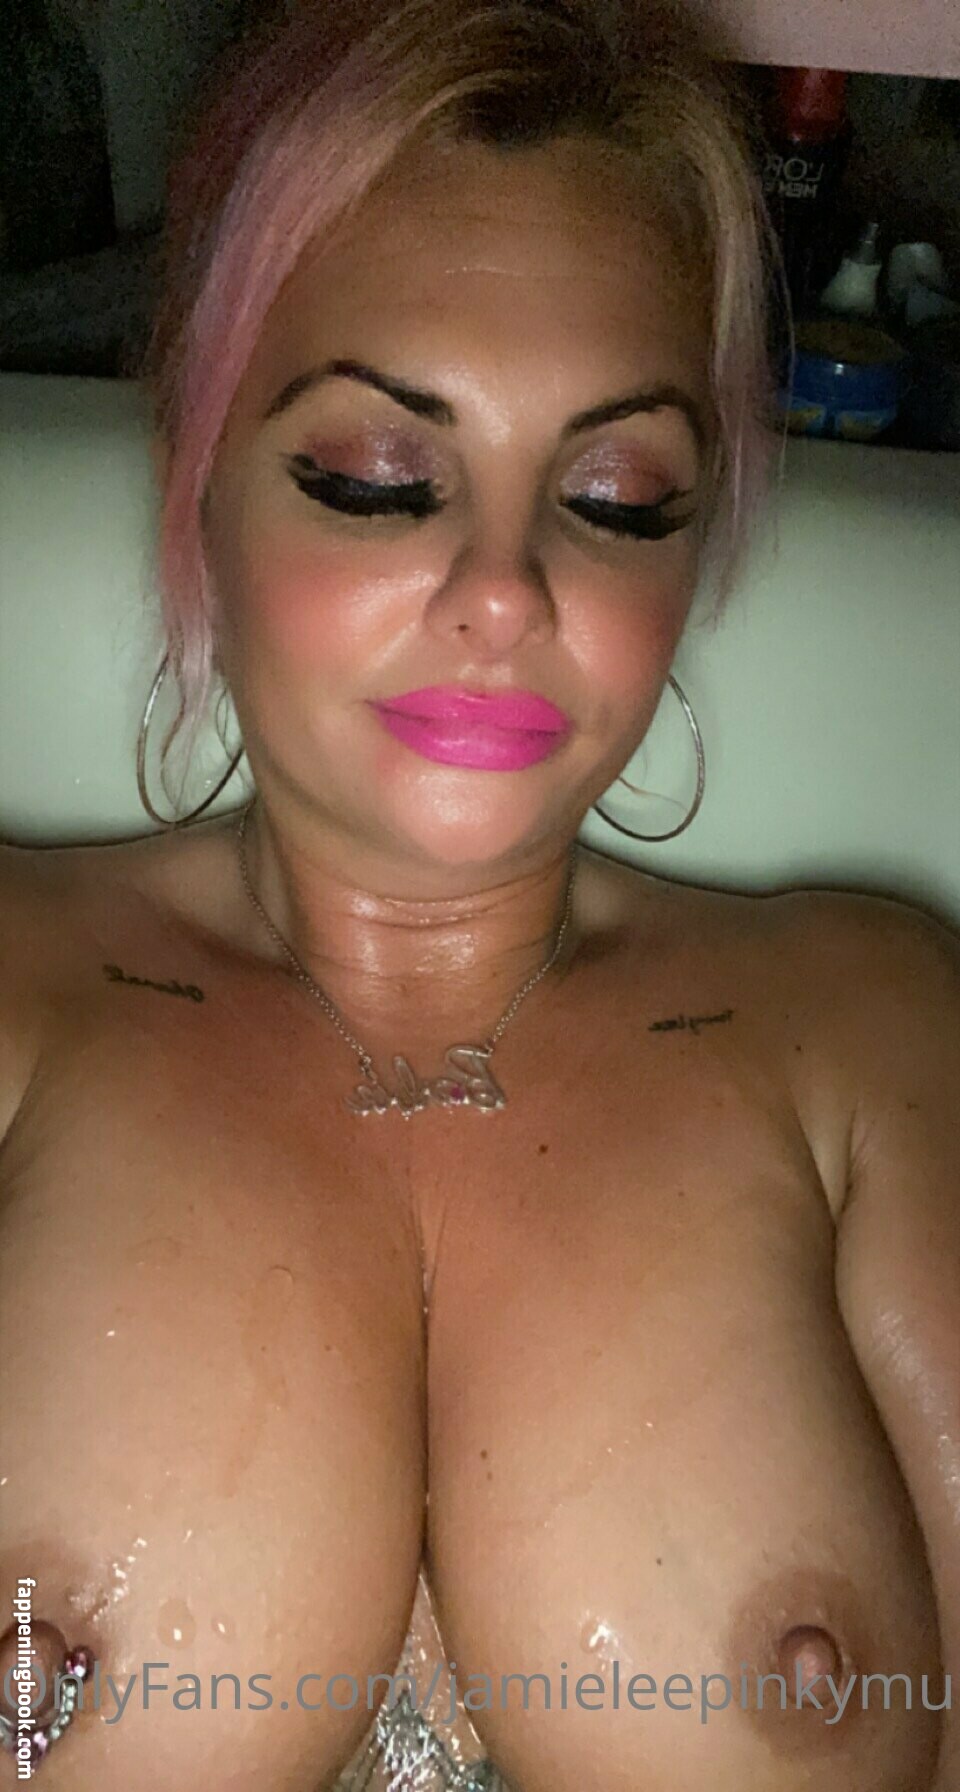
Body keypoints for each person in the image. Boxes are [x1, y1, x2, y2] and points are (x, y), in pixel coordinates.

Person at [0, 0, 957, 1786]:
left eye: (617, 495)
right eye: (377, 478)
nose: (506, 589)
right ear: (199, 469)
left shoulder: (877, 1021)